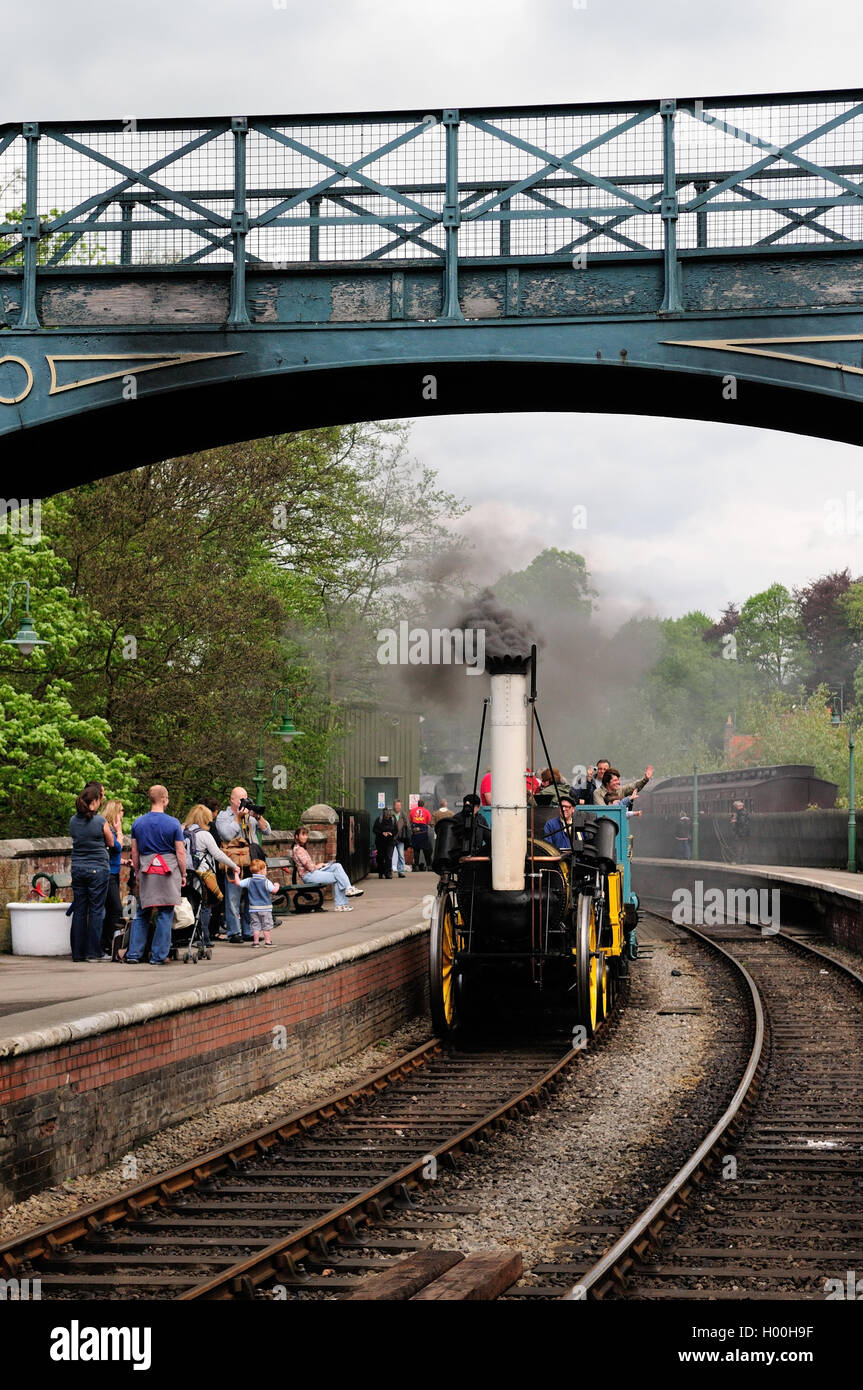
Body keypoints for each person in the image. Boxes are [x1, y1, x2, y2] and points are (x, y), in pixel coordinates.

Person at [125, 785, 186, 965]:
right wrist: (183, 874)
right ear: (165, 799)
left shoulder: (138, 823)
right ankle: (158, 956)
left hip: (146, 869)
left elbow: (134, 852)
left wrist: (137, 872)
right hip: (168, 871)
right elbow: (180, 853)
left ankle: (134, 954)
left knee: (141, 912)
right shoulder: (173, 823)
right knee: (165, 913)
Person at [215, 787, 272, 943]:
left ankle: (248, 930)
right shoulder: (223, 816)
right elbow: (226, 835)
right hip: (234, 861)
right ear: (232, 800)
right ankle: (233, 932)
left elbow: (267, 831)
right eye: (241, 799)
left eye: (246, 798)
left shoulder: (250, 815)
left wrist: (257, 816)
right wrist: (238, 818)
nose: (244, 801)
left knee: (250, 897)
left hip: (251, 860)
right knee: (233, 897)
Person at [182, 805, 241, 946]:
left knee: (190, 905)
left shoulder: (182, 832)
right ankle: (204, 938)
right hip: (203, 874)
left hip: (187, 875)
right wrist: (233, 865)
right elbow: (217, 854)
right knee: (205, 906)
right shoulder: (204, 835)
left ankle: (188, 936)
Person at [69, 782, 114, 962]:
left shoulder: (73, 820)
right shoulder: (100, 821)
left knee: (80, 910)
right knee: (96, 910)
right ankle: (93, 952)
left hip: (77, 868)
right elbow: (110, 842)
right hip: (97, 869)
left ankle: (77, 953)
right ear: (94, 801)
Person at [292, 826, 363, 911]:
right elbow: (310, 868)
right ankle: (341, 904)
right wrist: (317, 866)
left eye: (306, 835)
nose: (305, 837)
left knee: (337, 866)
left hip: (313, 872)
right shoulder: (298, 850)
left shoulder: (301, 849)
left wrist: (320, 865)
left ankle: (348, 889)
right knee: (338, 877)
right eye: (303, 835)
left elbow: (310, 866)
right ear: (297, 836)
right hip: (309, 875)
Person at [100, 798, 128, 958]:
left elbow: (113, 855)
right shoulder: (110, 830)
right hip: (108, 874)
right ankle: (106, 944)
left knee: (111, 909)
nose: (123, 813)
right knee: (116, 909)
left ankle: (107, 943)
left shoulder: (108, 828)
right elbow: (116, 846)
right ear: (115, 812)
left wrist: (124, 862)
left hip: (114, 871)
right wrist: (119, 831)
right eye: (121, 810)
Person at [237, 858, 280, 946]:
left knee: (255, 925)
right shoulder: (266, 881)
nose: (266, 871)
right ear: (262, 870)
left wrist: (235, 874)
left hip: (253, 909)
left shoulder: (249, 880)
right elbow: (274, 890)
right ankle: (268, 942)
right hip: (265, 908)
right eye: (265, 869)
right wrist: (277, 885)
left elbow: (238, 883)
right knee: (266, 925)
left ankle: (255, 942)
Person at [448, 793, 491, 862]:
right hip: (459, 857)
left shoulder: (481, 819)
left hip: (477, 855)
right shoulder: (457, 819)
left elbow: (488, 838)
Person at [410, 798, 433, 872]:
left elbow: (410, 819)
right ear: (423, 804)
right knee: (426, 850)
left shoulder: (412, 811)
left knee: (416, 850)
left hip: (415, 832)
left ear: (418, 804)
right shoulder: (426, 811)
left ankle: (416, 866)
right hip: (423, 833)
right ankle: (429, 866)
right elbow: (429, 821)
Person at [373, 807, 396, 879]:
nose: (388, 816)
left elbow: (396, 829)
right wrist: (382, 833)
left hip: (390, 842)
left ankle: (388, 873)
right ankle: (380, 872)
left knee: (389, 857)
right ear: (384, 813)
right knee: (380, 857)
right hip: (380, 842)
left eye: (389, 814)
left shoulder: (393, 820)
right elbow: (374, 829)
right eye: (386, 814)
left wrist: (391, 833)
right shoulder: (379, 820)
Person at [391, 800, 410, 878]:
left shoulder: (403, 814)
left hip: (401, 838)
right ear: (394, 806)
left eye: (399, 805)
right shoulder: (390, 814)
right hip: (392, 838)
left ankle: (401, 871)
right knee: (390, 855)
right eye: (397, 805)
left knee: (401, 855)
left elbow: (408, 825)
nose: (398, 807)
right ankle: (389, 871)